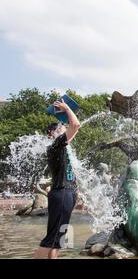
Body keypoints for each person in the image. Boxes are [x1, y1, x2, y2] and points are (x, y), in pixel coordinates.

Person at [34, 98, 81, 259]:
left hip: (67, 193)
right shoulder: (55, 146)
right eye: (59, 128)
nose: (62, 128)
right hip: (62, 193)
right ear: (51, 134)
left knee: (59, 237)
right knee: (52, 238)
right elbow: (75, 125)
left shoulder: (61, 145)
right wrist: (67, 108)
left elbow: (73, 128)